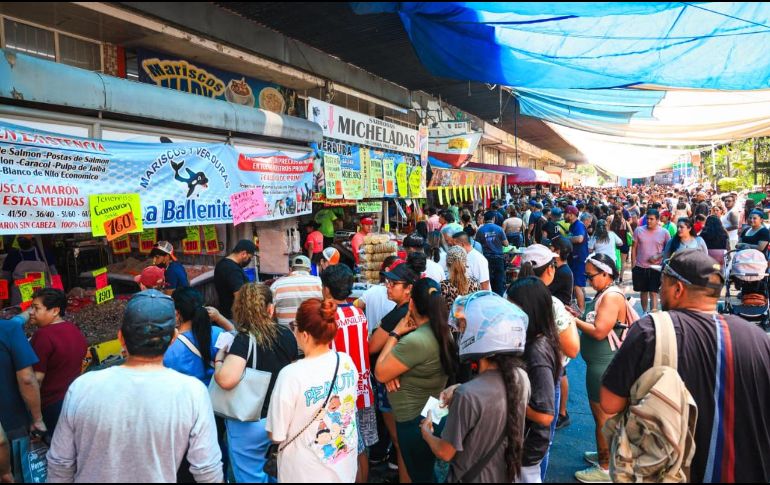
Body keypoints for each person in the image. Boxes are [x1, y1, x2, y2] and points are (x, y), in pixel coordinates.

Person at [601, 249, 770, 483]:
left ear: (678, 289)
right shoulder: (758, 338)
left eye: (663, 283)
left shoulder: (651, 330)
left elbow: (609, 403)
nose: (659, 289)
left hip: (674, 472)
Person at [47, 290, 223, 482]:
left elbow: (60, 464)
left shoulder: (82, 387)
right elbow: (207, 471)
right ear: (174, 337)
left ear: (121, 338)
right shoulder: (192, 392)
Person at [420, 292, 530, 483]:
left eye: (464, 328)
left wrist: (426, 432)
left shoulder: (467, 395)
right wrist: (460, 387)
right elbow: (495, 398)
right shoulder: (521, 377)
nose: (462, 333)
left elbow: (445, 452)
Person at [266, 298, 359, 483]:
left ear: (305, 335)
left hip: (304, 472)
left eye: (294, 326)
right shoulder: (346, 361)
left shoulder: (291, 375)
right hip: (343, 466)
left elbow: (276, 435)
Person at [212, 283, 298, 483]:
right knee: (279, 472)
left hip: (250, 421)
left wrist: (219, 360)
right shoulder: (287, 334)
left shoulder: (243, 340)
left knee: (250, 476)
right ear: (270, 309)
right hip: (281, 418)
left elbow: (226, 380)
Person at [374, 278, 457, 483]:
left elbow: (380, 373)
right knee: (422, 472)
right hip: (432, 411)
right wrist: (394, 373)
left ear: (411, 303)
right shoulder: (442, 332)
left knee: (421, 476)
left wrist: (395, 333)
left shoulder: (416, 340)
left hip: (413, 419)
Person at [572, 254, 637, 483]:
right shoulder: (605, 293)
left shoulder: (610, 297)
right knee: (606, 418)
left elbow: (599, 331)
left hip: (604, 366)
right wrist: (578, 316)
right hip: (601, 365)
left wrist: (571, 320)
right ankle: (607, 456)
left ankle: (605, 467)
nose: (588, 280)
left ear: (606, 273)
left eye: (591, 276)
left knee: (604, 419)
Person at [320, 264, 377, 482]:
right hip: (362, 390)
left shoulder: (327, 318)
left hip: (339, 396)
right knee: (361, 450)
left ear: (326, 290)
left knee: (345, 451)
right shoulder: (358, 313)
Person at [507, 277, 563, 483]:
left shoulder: (537, 352)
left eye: (513, 309)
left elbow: (545, 415)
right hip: (526, 441)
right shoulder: (538, 339)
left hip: (528, 444)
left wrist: (507, 400)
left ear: (528, 310)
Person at [368, 261, 417, 484]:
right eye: (387, 282)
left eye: (393, 283)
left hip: (392, 381)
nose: (388, 287)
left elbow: (372, 347)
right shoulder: (408, 311)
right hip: (404, 380)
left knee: (400, 441)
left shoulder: (398, 315)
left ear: (408, 288)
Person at [28, 288, 88, 436]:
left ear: (55, 311)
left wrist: (34, 416)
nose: (31, 312)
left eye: (36, 308)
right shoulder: (73, 329)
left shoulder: (43, 335)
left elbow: (36, 379)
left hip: (51, 406)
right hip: (75, 400)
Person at [164, 287, 233, 386]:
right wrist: (219, 318)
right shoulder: (218, 333)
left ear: (177, 313)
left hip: (186, 395)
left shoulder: (169, 345)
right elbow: (239, 341)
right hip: (215, 392)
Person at [0, 309, 45, 454]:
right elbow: (27, 379)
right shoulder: (8, 329)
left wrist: (29, 311)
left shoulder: (10, 326)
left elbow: (17, 320)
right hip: (12, 423)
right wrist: (37, 419)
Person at [632, 209, 670, 314]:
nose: (649, 221)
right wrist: (633, 265)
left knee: (654, 292)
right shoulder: (638, 230)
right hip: (640, 266)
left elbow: (669, 249)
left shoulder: (664, 232)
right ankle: (644, 314)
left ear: (657, 220)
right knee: (643, 292)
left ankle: (653, 315)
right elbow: (634, 247)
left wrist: (659, 255)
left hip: (656, 267)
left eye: (651, 219)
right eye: (647, 219)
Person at [270, 255, 323, 328]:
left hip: (286, 333)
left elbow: (269, 312)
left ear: (291, 269)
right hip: (313, 331)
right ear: (309, 270)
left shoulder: (276, 285)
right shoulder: (319, 282)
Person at [354, 256, 399, 334]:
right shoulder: (399, 294)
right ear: (387, 270)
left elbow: (355, 307)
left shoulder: (371, 291)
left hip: (371, 338)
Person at [214, 239, 256, 319]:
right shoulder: (233, 270)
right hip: (233, 317)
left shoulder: (222, 263)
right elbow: (239, 297)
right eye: (249, 257)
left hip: (225, 312)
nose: (249, 260)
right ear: (243, 253)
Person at [475, 212, 509, 295]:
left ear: (484, 219)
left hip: (486, 258)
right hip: (498, 257)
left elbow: (477, 245)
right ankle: (499, 296)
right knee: (499, 279)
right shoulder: (499, 229)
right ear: (493, 218)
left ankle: (489, 296)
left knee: (488, 278)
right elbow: (506, 244)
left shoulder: (480, 230)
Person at [440, 246, 481, 314]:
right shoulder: (475, 284)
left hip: (450, 320)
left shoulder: (443, 286)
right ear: (466, 263)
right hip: (470, 320)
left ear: (447, 264)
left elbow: (440, 312)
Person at [565, 206, 589, 312]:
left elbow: (580, 239)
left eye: (565, 213)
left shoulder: (578, 225)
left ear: (571, 214)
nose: (564, 215)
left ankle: (581, 311)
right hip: (574, 259)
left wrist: (566, 239)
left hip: (579, 259)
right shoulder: (572, 226)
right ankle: (582, 308)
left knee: (577, 285)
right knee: (578, 285)